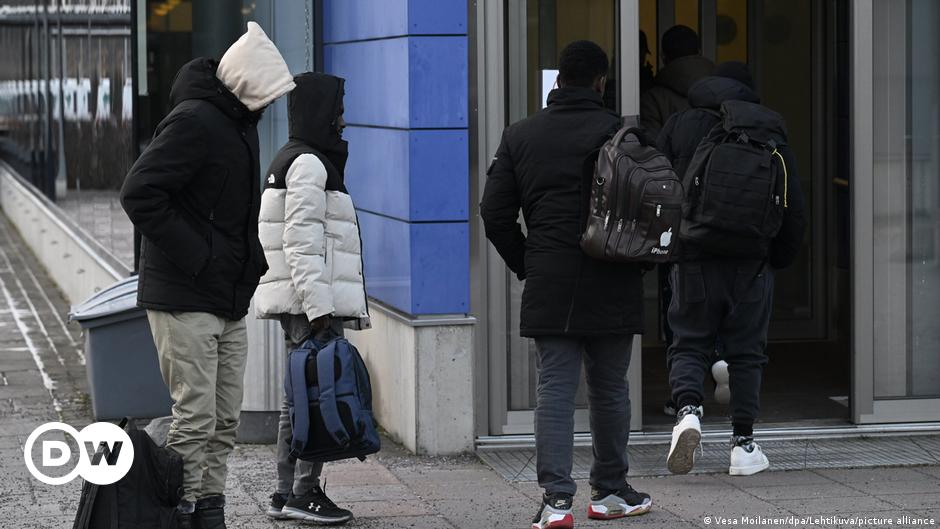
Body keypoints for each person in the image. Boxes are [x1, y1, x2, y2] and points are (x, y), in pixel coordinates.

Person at [120, 22, 294, 529]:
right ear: (248, 84)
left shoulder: (237, 124)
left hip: (225, 296)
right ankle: (179, 509)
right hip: (184, 294)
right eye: (267, 95)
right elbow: (139, 193)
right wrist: (199, 256)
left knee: (222, 421)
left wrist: (245, 265)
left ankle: (209, 508)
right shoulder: (195, 120)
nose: (270, 107)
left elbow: (231, 213)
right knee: (194, 418)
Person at [481, 40, 652, 529]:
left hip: (551, 275)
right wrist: (637, 265)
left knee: (554, 388)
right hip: (613, 274)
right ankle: (611, 491)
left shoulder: (520, 136)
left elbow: (494, 214)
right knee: (610, 387)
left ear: (558, 81)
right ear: (601, 82)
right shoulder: (624, 134)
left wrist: (528, 262)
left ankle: (557, 502)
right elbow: (653, 210)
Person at [657, 62, 806, 476]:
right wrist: (777, 259)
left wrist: (666, 249)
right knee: (747, 353)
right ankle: (743, 446)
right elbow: (794, 207)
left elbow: (661, 186)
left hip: (693, 255)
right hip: (750, 261)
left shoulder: (680, 124)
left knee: (688, 341)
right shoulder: (767, 131)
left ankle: (688, 412)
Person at [253, 71, 370, 525]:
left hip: (304, 301)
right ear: (322, 111)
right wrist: (320, 310)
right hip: (309, 304)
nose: (343, 121)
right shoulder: (308, 164)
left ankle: (286, 493)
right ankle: (303, 492)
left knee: (296, 398)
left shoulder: (294, 158)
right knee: (313, 397)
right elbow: (302, 243)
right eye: (338, 110)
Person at [640, 25, 714, 139]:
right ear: (699, 52)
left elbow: (653, 148)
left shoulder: (652, 100)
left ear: (663, 56)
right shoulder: (724, 91)